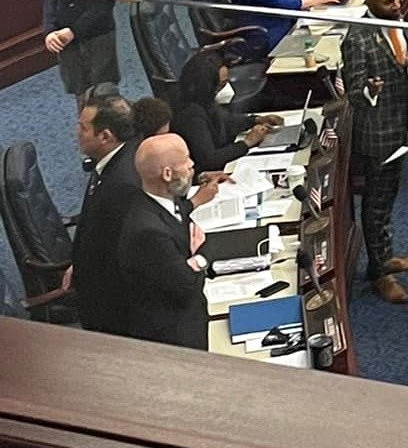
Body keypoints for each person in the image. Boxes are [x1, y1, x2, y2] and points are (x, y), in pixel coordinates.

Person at [340, 0, 408, 303]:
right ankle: (378, 274)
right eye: (389, 1)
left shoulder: (399, 22)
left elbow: (404, 72)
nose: (398, 4)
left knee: (387, 201)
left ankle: (385, 256)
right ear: (370, 2)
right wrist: (370, 91)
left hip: (399, 127)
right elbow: (354, 95)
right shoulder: (357, 40)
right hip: (377, 135)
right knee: (375, 205)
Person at [117, 134, 209, 348]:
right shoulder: (148, 232)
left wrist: (191, 261)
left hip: (189, 318)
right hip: (175, 338)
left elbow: (196, 244)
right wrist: (200, 259)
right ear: (167, 174)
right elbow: (186, 286)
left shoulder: (164, 201)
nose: (192, 164)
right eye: (185, 160)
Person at [69, 95, 140, 335]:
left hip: (114, 310)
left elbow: (118, 253)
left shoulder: (122, 183)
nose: (77, 132)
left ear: (105, 136)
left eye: (83, 127)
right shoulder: (112, 160)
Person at [170, 48, 283, 174]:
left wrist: (256, 120)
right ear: (208, 84)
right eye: (221, 84)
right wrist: (246, 143)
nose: (223, 88)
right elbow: (209, 160)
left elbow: (226, 121)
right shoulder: (190, 114)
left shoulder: (203, 99)